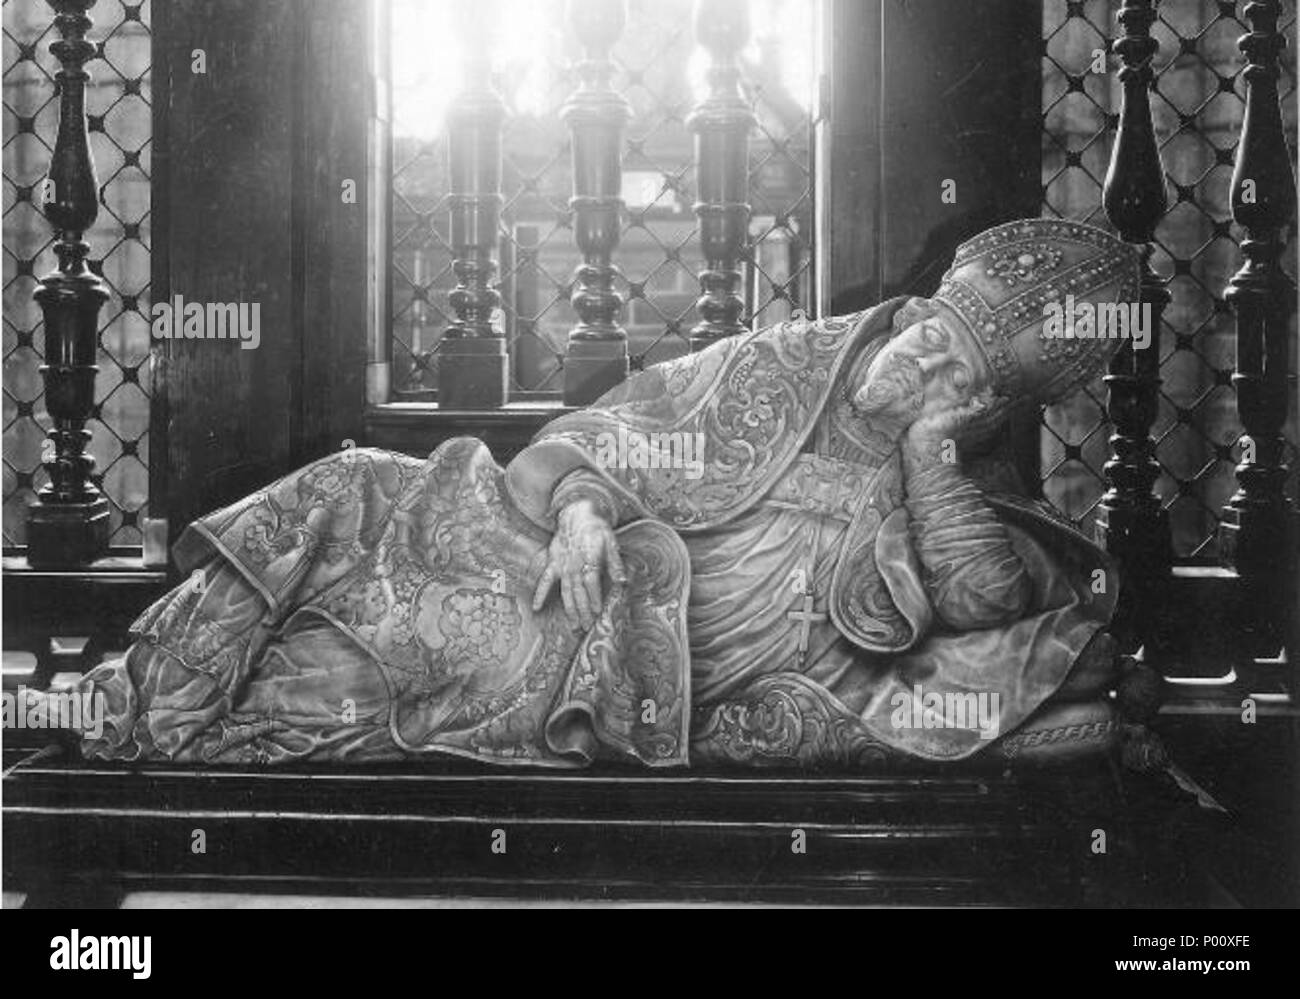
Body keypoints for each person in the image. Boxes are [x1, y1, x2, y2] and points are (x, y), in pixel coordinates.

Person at [70, 218, 1140, 767]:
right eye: (925, 335)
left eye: (955, 372)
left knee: (340, 680)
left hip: (631, 653)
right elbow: (618, 428)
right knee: (354, 488)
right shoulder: (781, 368)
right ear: (909, 313)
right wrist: (583, 505)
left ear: (982, 406)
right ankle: (147, 690)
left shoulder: (944, 481)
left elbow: (987, 608)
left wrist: (928, 459)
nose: (919, 367)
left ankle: (158, 719)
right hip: (553, 549)